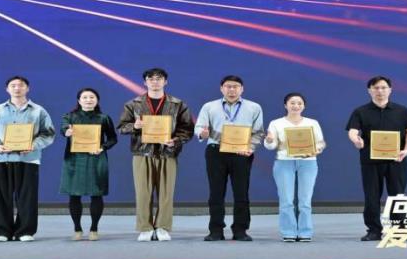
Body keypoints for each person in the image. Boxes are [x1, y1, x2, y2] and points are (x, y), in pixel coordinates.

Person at [117, 67, 195, 242]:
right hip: (142, 153)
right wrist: (134, 126)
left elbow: (187, 129)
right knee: (143, 193)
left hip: (168, 153)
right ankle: (145, 227)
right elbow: (121, 127)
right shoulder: (133, 104)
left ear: (165, 82)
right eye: (150, 79)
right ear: (145, 82)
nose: (155, 82)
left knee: (166, 193)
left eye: (159, 78)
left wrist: (175, 140)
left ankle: (162, 227)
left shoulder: (178, 104)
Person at [0, 75, 56, 242]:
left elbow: (49, 133)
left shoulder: (39, 111)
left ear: (27, 88)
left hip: (29, 159)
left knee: (27, 197)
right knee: (0, 197)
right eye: (13, 85)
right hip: (1, 159)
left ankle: (25, 231)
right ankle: (1, 231)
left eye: (21, 85)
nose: (17, 88)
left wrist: (34, 145)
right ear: (7, 89)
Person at [345, 76, 407, 242]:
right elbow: (352, 131)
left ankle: (400, 229)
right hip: (370, 161)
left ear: (390, 90)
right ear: (369, 90)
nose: (380, 91)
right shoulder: (360, 111)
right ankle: (374, 230)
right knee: (371, 196)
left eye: (383, 87)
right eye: (376, 88)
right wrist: (356, 140)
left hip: (397, 160)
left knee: (398, 195)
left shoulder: (402, 111)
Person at [195, 75, 264, 241]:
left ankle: (240, 230)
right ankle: (215, 230)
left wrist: (251, 148)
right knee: (216, 193)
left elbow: (258, 132)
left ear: (242, 89)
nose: (231, 90)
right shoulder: (209, 106)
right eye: (228, 86)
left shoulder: (254, 107)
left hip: (241, 153)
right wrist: (202, 133)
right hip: (215, 152)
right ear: (221, 88)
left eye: (235, 86)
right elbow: (199, 127)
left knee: (241, 193)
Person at [264, 92, 326, 242]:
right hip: (284, 162)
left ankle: (305, 232)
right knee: (286, 200)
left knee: (305, 200)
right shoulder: (276, 123)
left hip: (308, 162)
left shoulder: (312, 123)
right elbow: (270, 146)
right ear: (285, 105)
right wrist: (269, 140)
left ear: (304, 106)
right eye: (292, 103)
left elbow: (320, 142)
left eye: (299, 103)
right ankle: (288, 231)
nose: (296, 106)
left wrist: (317, 150)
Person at [60, 87, 118, 241]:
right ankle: (77, 229)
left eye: (92, 97)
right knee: (74, 195)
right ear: (79, 101)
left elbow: (113, 138)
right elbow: (63, 129)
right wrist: (67, 132)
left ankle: (94, 228)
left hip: (96, 158)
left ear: (97, 100)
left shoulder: (104, 118)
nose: (88, 100)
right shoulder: (69, 116)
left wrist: (102, 147)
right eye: (84, 97)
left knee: (97, 194)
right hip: (74, 159)